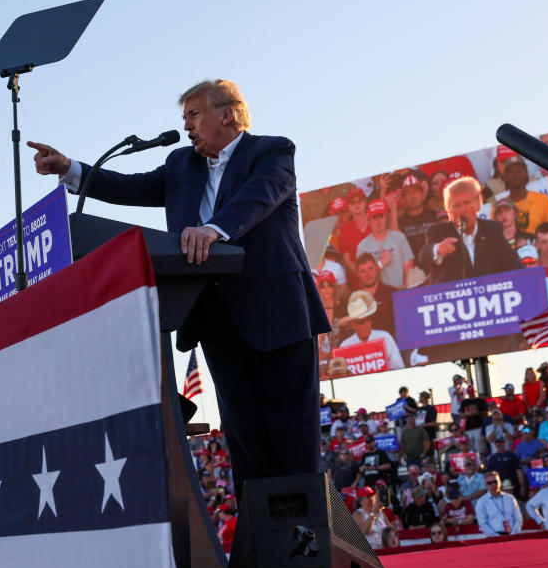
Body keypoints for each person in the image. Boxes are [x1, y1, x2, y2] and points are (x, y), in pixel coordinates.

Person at [27, 79, 330, 497]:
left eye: (193, 114)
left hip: (277, 311)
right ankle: (260, 548)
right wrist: (70, 169)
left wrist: (214, 230)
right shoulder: (180, 164)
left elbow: (261, 197)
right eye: (184, 116)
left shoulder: (272, 151)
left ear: (227, 114)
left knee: (292, 434)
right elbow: (130, 187)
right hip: (215, 318)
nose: (186, 125)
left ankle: (309, 541)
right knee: (243, 437)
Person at [418, 177, 523, 283]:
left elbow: (515, 266)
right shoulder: (438, 231)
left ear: (478, 204)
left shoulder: (492, 229)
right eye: (456, 205)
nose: (462, 210)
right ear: (449, 210)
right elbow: (424, 255)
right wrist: (438, 249)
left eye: (467, 203)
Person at [337, 291, 405, 370]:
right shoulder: (345, 346)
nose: (367, 324)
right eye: (361, 322)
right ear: (353, 325)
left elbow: (399, 368)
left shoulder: (385, 337)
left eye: (368, 319)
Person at [357, 200, 414, 289]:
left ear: (386, 217)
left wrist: (406, 290)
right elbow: (364, 278)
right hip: (377, 296)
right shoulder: (362, 246)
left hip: (400, 290)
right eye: (375, 217)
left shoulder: (399, 237)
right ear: (369, 220)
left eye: (381, 216)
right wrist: (381, 264)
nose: (378, 221)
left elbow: (409, 267)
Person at [499, 155, 548, 235]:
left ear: (526, 174)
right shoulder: (499, 208)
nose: (516, 174)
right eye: (511, 171)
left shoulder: (543, 199)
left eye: (519, 170)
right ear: (505, 177)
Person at [350, 253, 397, 339]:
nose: (368, 274)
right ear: (357, 274)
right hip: (366, 348)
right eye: (363, 271)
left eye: (370, 268)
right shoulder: (353, 299)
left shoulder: (392, 293)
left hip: (390, 345)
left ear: (376, 268)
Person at [396, 171, 439, 257]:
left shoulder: (435, 216)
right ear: (403, 199)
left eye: (415, 191)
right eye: (408, 193)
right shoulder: (400, 223)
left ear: (423, 194)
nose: (412, 196)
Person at [475, 471, 523, 536]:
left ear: (500, 482)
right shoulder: (481, 502)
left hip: (513, 534)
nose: (493, 485)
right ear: (486, 485)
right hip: (494, 537)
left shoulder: (510, 498)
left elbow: (518, 518)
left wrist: (514, 533)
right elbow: (482, 523)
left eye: (495, 482)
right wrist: (495, 536)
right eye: (490, 483)